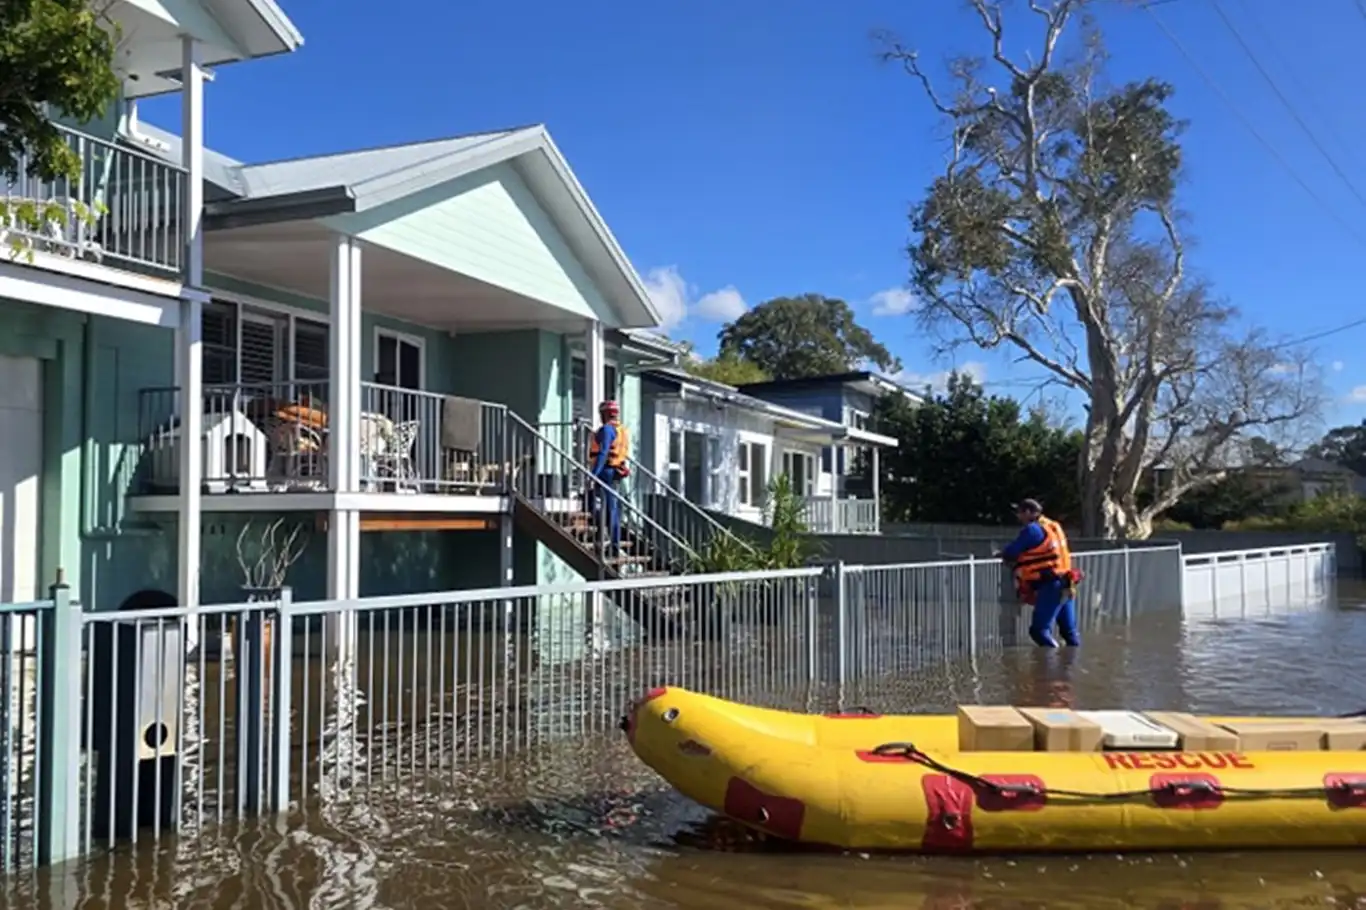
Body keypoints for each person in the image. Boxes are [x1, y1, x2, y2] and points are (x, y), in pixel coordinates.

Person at [996, 498, 1082, 648]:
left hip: (1051, 584)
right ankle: (1073, 667)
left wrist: (1001, 554)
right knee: (1069, 632)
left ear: (1029, 512)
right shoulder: (1054, 526)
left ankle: (1048, 668)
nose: (1018, 516)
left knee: (1039, 631)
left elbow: (1012, 551)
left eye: (1020, 512)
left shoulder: (1032, 530)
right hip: (1067, 582)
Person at [587, 400, 631, 555]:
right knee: (612, 508)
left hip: (606, 471)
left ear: (604, 414)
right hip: (616, 471)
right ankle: (609, 540)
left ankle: (612, 545)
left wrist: (594, 474)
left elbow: (603, 452)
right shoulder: (620, 430)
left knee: (605, 507)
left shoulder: (606, 430)